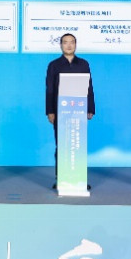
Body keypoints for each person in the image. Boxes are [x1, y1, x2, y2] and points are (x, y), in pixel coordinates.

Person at [45, 33, 95, 188]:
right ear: (61, 45)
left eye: (71, 42)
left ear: (75, 45)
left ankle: (79, 179)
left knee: (78, 144)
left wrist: (90, 108)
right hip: (60, 110)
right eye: (65, 42)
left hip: (79, 110)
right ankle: (61, 178)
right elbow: (50, 90)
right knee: (62, 144)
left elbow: (89, 87)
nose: (68, 45)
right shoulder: (54, 65)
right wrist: (50, 111)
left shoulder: (83, 64)